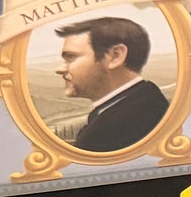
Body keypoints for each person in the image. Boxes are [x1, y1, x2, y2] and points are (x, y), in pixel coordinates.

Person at [54, 16, 169, 152]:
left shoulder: (113, 130)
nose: (60, 69)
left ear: (115, 56)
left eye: (71, 57)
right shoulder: (144, 103)